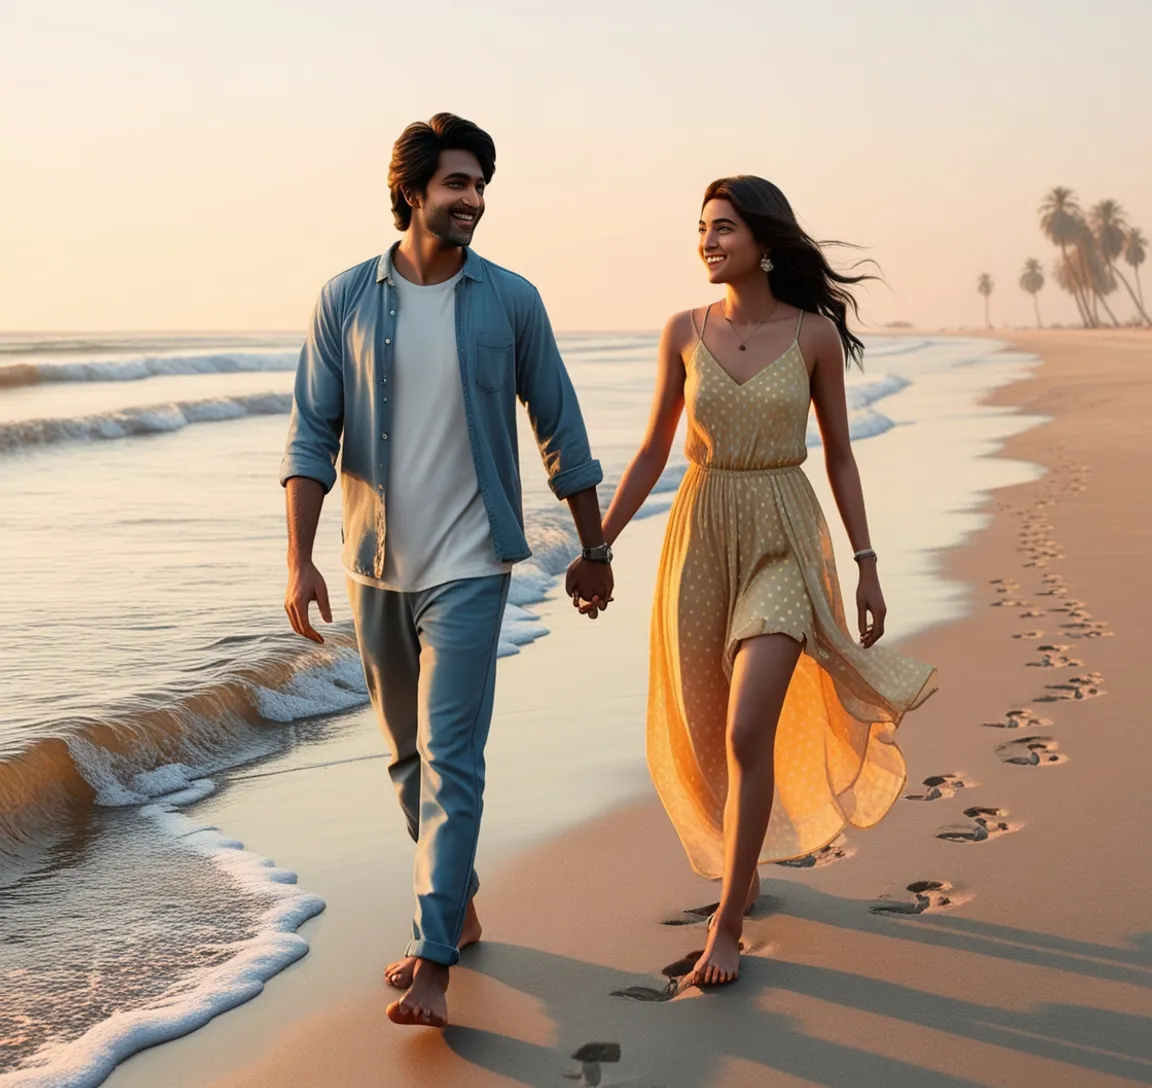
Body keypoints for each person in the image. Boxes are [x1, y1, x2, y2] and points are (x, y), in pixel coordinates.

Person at [280, 113, 614, 1028]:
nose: (474, 200)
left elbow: (562, 429)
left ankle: (433, 958)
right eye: (458, 184)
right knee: (403, 759)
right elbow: (313, 434)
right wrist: (299, 557)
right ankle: (458, 909)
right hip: (375, 564)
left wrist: (594, 547)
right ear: (413, 191)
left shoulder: (510, 300)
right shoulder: (345, 299)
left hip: (472, 563)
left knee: (452, 761)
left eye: (480, 185)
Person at [600, 176, 937, 986]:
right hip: (700, 534)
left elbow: (842, 456)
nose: (708, 242)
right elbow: (652, 451)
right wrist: (596, 544)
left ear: (763, 240)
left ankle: (728, 921)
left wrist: (866, 563)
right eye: (703, 229)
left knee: (750, 728)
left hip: (786, 532)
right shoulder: (682, 331)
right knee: (710, 724)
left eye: (723, 229)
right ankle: (741, 863)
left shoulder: (813, 334)